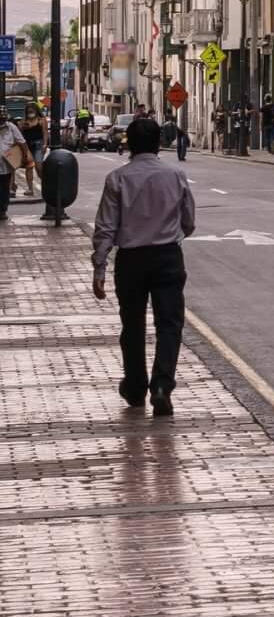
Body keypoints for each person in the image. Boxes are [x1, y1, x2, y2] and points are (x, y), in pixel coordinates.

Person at [90, 113, 195, 417]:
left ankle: (135, 386)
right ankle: (162, 386)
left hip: (131, 260)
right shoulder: (175, 176)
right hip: (167, 256)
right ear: (160, 144)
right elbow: (189, 222)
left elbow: (106, 227)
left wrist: (99, 268)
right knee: (170, 324)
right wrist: (172, 233)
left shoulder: (118, 178)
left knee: (132, 325)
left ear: (130, 145)